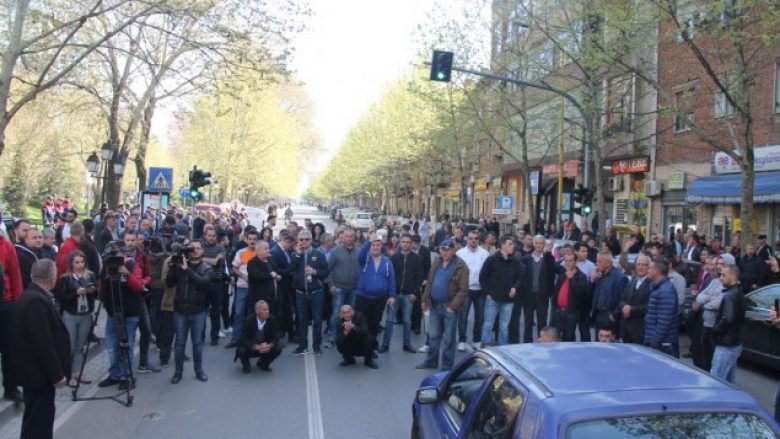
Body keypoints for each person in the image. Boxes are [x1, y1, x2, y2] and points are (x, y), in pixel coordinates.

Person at [10, 260, 70, 439]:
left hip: (35, 374)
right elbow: (43, 343)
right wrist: (57, 375)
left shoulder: (33, 296)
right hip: (38, 376)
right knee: (39, 424)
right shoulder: (36, 301)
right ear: (51, 277)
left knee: (36, 421)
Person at [417, 239, 468, 371]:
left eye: (448, 250)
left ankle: (447, 365)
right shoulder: (437, 262)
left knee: (449, 339)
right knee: (433, 335)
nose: (445, 253)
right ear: (439, 250)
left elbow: (463, 289)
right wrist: (424, 300)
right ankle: (431, 361)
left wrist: (453, 306)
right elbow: (429, 282)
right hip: (434, 305)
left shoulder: (460, 265)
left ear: (453, 250)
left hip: (449, 306)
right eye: (443, 250)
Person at [166, 240, 211, 384]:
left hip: (198, 311)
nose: (195, 250)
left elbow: (202, 282)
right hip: (180, 310)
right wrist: (173, 266)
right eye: (192, 248)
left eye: (198, 248)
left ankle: (199, 370)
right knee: (180, 343)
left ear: (202, 250)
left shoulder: (206, 268)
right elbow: (169, 283)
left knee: (197, 343)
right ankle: (178, 372)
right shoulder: (180, 265)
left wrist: (187, 270)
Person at [54, 251, 97, 386]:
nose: (79, 265)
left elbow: (96, 293)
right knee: (70, 346)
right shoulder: (65, 278)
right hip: (71, 315)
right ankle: (68, 374)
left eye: (82, 262)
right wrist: (75, 293)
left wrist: (91, 291)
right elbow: (61, 298)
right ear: (71, 264)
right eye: (76, 262)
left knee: (80, 345)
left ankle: (77, 372)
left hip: (85, 314)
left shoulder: (90, 276)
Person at [353, 233, 395, 367]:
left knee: (373, 327)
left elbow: (391, 280)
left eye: (378, 245)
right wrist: (368, 241)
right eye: (373, 245)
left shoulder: (387, 262)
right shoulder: (364, 259)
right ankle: (357, 351)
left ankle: (368, 355)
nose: (375, 247)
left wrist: (392, 295)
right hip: (363, 298)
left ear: (381, 247)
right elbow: (360, 254)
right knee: (360, 327)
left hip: (379, 300)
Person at [290, 230, 330, 356]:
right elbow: (291, 269)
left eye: (307, 239)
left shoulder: (318, 254)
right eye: (301, 239)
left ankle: (316, 347)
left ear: (311, 240)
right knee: (302, 320)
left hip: (316, 292)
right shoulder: (294, 254)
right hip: (300, 293)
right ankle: (302, 346)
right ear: (298, 241)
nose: (304, 242)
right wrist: (297, 255)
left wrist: (314, 272)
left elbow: (326, 272)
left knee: (317, 321)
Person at [381, 233, 422, 353]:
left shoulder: (417, 258)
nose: (405, 244)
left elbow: (419, 277)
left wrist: (415, 293)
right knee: (389, 320)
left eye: (408, 242)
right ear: (400, 242)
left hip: (408, 295)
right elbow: (388, 276)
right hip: (394, 294)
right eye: (403, 242)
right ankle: (385, 344)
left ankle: (407, 344)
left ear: (411, 244)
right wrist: (389, 294)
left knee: (407, 321)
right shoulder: (394, 257)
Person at [479, 236, 524, 346]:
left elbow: (521, 276)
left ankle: (503, 349)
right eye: (510, 244)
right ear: (503, 245)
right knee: (488, 325)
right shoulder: (492, 259)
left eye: (513, 244)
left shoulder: (515, 261)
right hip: (493, 299)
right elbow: (482, 277)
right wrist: (488, 293)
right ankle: (486, 348)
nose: (513, 246)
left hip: (508, 300)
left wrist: (515, 287)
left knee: (504, 327)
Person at [515, 235, 556, 343]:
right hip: (528, 295)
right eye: (537, 243)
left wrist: (548, 252)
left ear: (544, 245)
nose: (539, 245)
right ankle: (527, 343)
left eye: (541, 243)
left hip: (542, 295)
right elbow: (522, 277)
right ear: (533, 244)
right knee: (528, 321)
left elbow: (552, 275)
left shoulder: (548, 259)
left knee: (542, 321)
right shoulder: (526, 259)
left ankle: (541, 342)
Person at [454, 230, 489, 351]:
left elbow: (488, 272)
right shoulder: (460, 253)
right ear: (466, 239)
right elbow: (456, 273)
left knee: (480, 317)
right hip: (465, 290)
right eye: (470, 238)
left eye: (475, 238)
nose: (473, 241)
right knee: (463, 317)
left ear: (479, 240)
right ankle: (462, 340)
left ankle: (477, 340)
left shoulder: (485, 253)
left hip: (480, 290)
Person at [709, 265, 745, 384]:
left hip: (727, 344)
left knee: (716, 381)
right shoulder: (737, 292)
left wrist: (715, 331)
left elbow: (728, 319)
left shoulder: (730, 295)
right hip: (733, 342)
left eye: (724, 275)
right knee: (729, 382)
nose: (721, 278)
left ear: (733, 276)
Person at [326, 228, 361, 348]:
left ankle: (350, 334)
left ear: (354, 238)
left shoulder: (359, 251)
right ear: (342, 237)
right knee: (336, 313)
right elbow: (327, 270)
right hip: (339, 288)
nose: (349, 238)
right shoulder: (335, 251)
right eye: (346, 236)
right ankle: (332, 336)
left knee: (351, 314)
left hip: (354, 288)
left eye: (351, 236)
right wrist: (331, 285)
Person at [0, 228, 23, 402]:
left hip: (5, 304)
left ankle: (10, 387)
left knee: (9, 349)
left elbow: (15, 276)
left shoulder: (7, 246)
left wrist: (18, 305)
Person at [227, 229, 259, 349]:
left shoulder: (260, 252)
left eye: (254, 239)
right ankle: (235, 339)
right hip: (242, 287)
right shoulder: (241, 252)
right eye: (250, 239)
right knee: (239, 313)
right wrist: (242, 276)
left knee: (254, 314)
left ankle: (252, 340)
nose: (252, 242)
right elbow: (234, 267)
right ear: (246, 239)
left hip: (256, 288)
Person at [644, 258, 680, 358]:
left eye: (650, 268)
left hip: (663, 345)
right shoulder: (658, 287)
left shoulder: (666, 291)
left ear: (656, 271)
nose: (648, 270)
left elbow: (664, 321)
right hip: (657, 342)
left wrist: (655, 343)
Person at [551, 252, 590, 342]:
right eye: (566, 261)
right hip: (558, 311)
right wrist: (555, 307)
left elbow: (581, 292)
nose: (568, 263)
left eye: (570, 261)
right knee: (554, 337)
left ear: (576, 262)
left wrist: (572, 279)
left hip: (571, 313)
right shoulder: (562, 274)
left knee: (568, 338)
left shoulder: (581, 276)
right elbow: (556, 292)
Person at [235, 300, 281, 373]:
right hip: (252, 347)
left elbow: (275, 336)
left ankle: (263, 363)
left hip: (265, 347)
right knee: (241, 349)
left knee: (278, 347)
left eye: (268, 309)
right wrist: (255, 347)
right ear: (257, 311)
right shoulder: (248, 321)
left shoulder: (272, 319)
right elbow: (242, 339)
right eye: (265, 309)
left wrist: (269, 345)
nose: (267, 311)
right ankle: (246, 365)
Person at [200, 225, 228, 346]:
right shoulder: (199, 246)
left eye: (213, 236)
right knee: (202, 311)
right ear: (205, 236)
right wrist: (212, 260)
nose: (211, 238)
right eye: (209, 235)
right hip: (203, 283)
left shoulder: (220, 247)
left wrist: (203, 259)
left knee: (216, 311)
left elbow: (218, 262)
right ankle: (200, 336)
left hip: (217, 282)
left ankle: (214, 336)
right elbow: (196, 259)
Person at [590, 252, 628, 333]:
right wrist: (592, 280)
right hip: (598, 314)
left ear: (608, 264)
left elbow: (623, 299)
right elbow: (593, 294)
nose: (597, 264)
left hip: (609, 315)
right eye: (597, 261)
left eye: (600, 262)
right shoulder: (599, 276)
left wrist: (614, 315)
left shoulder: (620, 278)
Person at [618, 254, 652, 344]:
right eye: (638, 264)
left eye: (644, 265)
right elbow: (622, 299)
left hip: (640, 329)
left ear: (649, 267)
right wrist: (624, 307)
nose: (640, 267)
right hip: (626, 328)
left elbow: (649, 306)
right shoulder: (632, 281)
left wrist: (631, 310)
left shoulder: (652, 284)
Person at [247, 241, 282, 316]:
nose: (268, 250)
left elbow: (276, 272)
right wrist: (270, 275)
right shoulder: (252, 262)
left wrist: (278, 276)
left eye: (268, 248)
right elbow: (256, 275)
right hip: (260, 299)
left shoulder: (270, 260)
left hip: (273, 297)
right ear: (258, 250)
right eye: (266, 249)